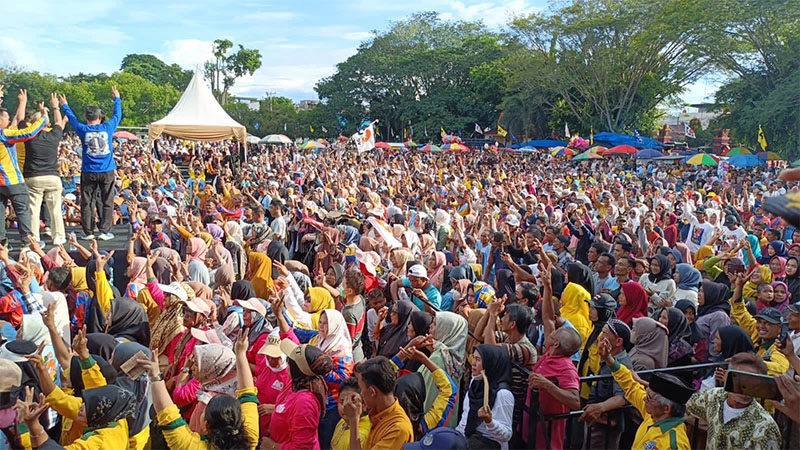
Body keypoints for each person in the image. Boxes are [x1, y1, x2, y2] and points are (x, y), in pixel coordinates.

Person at [146, 328, 259, 450]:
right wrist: (241, 354)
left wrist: (155, 375)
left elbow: (169, 418)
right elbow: (248, 394)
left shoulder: (195, 446)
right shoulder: (250, 439)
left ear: (206, 426)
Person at [599, 336, 692, 450]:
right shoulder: (654, 415)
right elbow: (632, 387)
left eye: (649, 397)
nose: (644, 399)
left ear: (666, 409)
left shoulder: (674, 444)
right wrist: (610, 360)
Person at [59, 86, 123, 240]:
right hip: (106, 170)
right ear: (100, 117)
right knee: (107, 200)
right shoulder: (108, 127)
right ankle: (104, 231)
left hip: (88, 170)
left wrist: (64, 105)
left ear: (86, 117)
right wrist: (117, 99)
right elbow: (117, 115)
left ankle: (88, 232)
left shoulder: (82, 128)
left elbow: (72, 119)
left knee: (87, 201)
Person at [686, 352, 782, 449]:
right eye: (740, 379)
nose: (745, 388)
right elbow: (685, 407)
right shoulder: (713, 397)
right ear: (728, 376)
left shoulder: (765, 427)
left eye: (753, 383)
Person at [0, 88, 48, 247]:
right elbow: (29, 133)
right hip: (11, 180)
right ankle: (27, 241)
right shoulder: (4, 135)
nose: (9, 121)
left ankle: (2, 243)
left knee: (0, 214)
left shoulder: (6, 131)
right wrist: (43, 118)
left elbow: (16, 120)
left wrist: (22, 102)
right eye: (5, 118)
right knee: (23, 210)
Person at [270, 337, 334, 450]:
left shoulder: (304, 403)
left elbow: (303, 448)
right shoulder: (297, 384)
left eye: (290, 361)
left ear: (298, 369)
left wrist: (274, 447)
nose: (287, 364)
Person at [22, 92, 68, 246]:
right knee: (55, 209)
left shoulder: (28, 136)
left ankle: (34, 239)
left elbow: (21, 120)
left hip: (34, 177)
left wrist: (23, 102)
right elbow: (58, 123)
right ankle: (59, 237)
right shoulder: (54, 136)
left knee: (33, 210)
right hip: (53, 177)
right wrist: (55, 107)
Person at [342, 356, 414, 450]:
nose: (360, 394)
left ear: (372, 391)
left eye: (361, 388)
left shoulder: (397, 429)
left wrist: (354, 420)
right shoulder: (378, 412)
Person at [456, 344, 514, 449]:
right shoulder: (476, 381)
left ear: (490, 364)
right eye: (473, 358)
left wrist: (489, 422)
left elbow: (506, 435)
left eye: (478, 360)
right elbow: (465, 417)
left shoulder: (503, 394)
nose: (473, 363)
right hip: (468, 440)